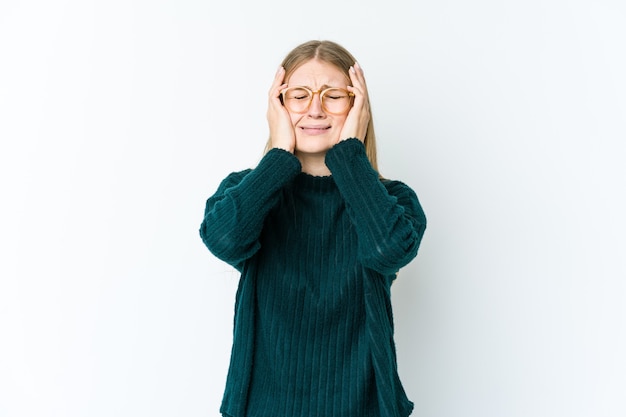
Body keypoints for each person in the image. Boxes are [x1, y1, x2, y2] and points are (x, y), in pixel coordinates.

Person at [199, 40, 427, 417]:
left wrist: (350, 156)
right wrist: (278, 156)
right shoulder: (248, 190)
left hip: (364, 407)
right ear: (279, 105)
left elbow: (389, 249)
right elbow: (224, 238)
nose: (315, 109)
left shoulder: (391, 199)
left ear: (358, 108)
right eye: (299, 95)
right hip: (262, 407)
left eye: (334, 96)